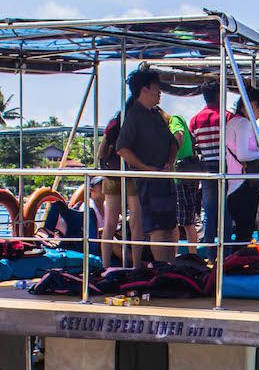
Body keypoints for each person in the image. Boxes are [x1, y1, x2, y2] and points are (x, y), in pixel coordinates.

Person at [116, 68, 179, 264]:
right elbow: (122, 148)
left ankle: (169, 268)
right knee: (158, 227)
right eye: (156, 88)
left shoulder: (156, 115)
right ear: (144, 90)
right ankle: (161, 270)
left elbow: (173, 142)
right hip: (149, 181)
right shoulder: (134, 115)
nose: (159, 92)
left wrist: (170, 161)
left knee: (169, 226)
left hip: (164, 177)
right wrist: (144, 167)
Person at [224, 88, 259, 244]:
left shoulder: (233, 122)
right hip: (243, 183)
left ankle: (234, 263)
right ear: (252, 105)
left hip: (234, 183)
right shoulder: (244, 123)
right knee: (245, 231)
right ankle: (238, 265)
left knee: (241, 231)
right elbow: (243, 154)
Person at [189, 81, 231, 245]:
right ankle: (227, 251)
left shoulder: (195, 120)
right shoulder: (227, 117)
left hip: (206, 167)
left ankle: (210, 253)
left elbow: (194, 143)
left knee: (209, 211)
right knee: (227, 211)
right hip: (225, 166)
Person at [96, 115, 131, 268]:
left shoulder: (112, 124)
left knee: (110, 223)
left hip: (111, 174)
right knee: (136, 221)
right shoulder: (135, 122)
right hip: (130, 174)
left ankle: (105, 266)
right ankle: (136, 265)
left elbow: (100, 154)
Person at [37, 177, 102, 251]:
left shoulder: (106, 206)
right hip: (95, 242)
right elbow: (88, 230)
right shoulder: (87, 206)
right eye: (101, 185)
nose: (104, 186)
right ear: (92, 190)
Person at [167, 108, 200, 252]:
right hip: (183, 177)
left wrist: (170, 160)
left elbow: (179, 135)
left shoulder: (174, 119)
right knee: (180, 221)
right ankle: (179, 256)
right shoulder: (177, 119)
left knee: (186, 222)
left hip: (181, 177)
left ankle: (192, 255)